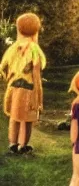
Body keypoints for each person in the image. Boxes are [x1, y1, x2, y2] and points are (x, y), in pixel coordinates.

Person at [0, 12, 46, 155]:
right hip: (28, 87)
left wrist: (10, 78)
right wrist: (38, 94)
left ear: (19, 29)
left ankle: (12, 144)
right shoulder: (34, 49)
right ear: (36, 30)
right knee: (27, 119)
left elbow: (3, 67)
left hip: (13, 87)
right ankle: (22, 146)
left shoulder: (12, 48)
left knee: (14, 117)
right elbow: (37, 72)